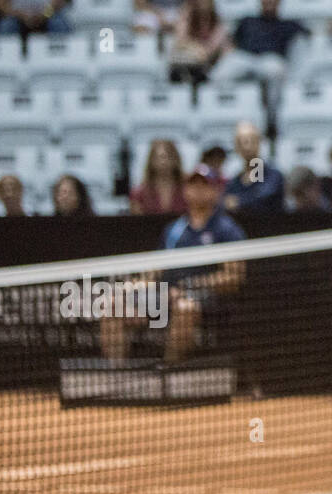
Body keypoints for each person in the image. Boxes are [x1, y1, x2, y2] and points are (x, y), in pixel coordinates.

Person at [102, 165, 246, 364]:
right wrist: (139, 284)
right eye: (192, 185)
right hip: (166, 296)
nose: (197, 190)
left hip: (205, 300)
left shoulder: (228, 230)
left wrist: (189, 287)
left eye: (204, 185)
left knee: (185, 307)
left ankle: (168, 373)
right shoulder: (174, 229)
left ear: (216, 191)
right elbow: (157, 267)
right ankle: (116, 377)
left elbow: (234, 277)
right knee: (112, 304)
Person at [208, 0, 309, 104]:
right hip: (245, 57)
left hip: (270, 60)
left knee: (275, 70)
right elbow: (232, 41)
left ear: (279, 2)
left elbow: (311, 35)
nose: (269, 2)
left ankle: (271, 113)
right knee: (221, 73)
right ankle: (225, 106)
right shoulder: (247, 20)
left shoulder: (288, 24)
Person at [222, 121, 285, 214]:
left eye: (252, 140)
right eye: (242, 142)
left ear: (259, 143)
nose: (247, 146)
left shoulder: (273, 176)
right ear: (236, 147)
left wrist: (238, 202)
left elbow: (263, 199)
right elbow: (227, 203)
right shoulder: (234, 182)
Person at [169, 0, 230, 84]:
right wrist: (196, 49)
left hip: (211, 63)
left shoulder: (217, 21)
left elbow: (211, 50)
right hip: (191, 59)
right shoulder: (187, 17)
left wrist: (196, 49)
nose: (202, 3)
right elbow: (180, 40)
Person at [130, 140, 188, 215]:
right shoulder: (138, 194)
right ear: (151, 160)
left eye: (168, 156)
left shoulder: (188, 189)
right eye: (159, 157)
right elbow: (136, 221)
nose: (163, 162)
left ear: (176, 159)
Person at [0, 0, 72, 35]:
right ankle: (8, 62)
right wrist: (21, 15)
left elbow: (58, 2)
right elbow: (0, 3)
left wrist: (44, 15)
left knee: (59, 24)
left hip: (47, 16)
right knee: (6, 26)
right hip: (17, 17)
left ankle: (60, 61)